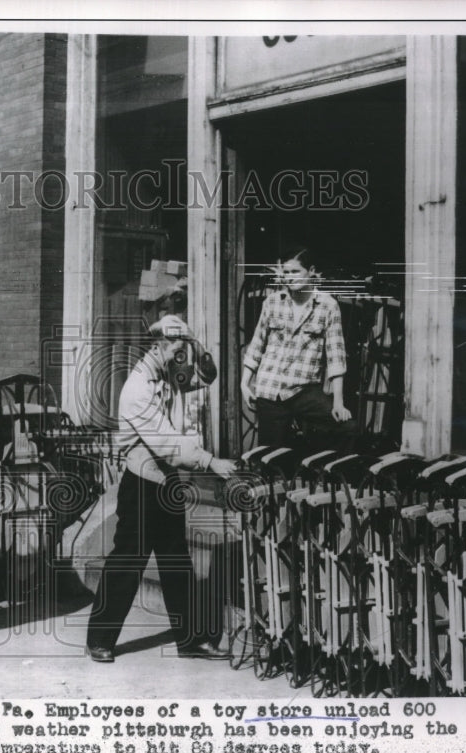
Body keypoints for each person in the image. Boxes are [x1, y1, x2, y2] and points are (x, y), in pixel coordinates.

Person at [85, 315, 238, 663]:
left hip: (166, 482)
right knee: (127, 562)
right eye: (178, 350)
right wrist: (209, 461)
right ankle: (100, 640)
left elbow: (205, 376)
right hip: (141, 484)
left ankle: (191, 641)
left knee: (176, 563)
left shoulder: (167, 374)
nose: (181, 357)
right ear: (161, 346)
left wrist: (196, 343)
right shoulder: (138, 388)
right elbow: (166, 442)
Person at [240, 248, 356, 452]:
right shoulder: (273, 302)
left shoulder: (328, 306)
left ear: (311, 271)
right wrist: (244, 383)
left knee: (346, 429)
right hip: (270, 388)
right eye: (286, 273)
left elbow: (336, 357)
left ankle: (325, 478)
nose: (289, 278)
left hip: (304, 390)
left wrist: (338, 402)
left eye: (295, 272)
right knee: (271, 458)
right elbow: (257, 343)